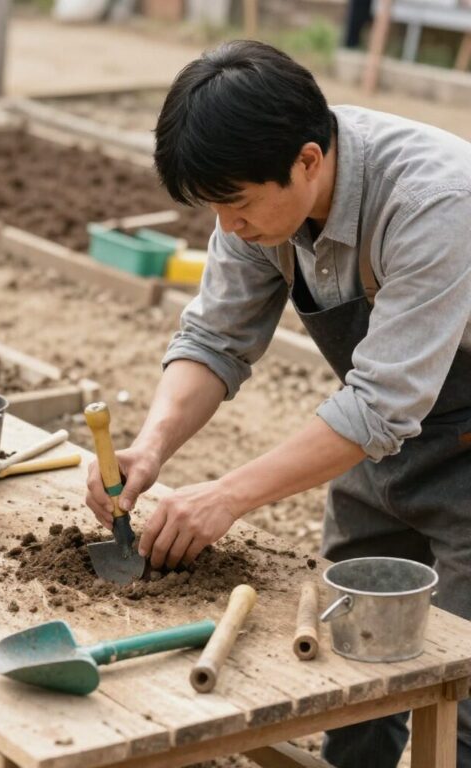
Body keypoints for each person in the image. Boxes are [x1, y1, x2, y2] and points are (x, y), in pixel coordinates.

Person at [84, 40, 471, 768]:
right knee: (354, 657)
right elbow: (214, 339)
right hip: (378, 439)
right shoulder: (258, 203)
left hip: (443, 436)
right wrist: (152, 446)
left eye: (234, 206)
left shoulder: (434, 198)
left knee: (463, 686)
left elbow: (384, 402)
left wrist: (227, 496)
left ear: (308, 162)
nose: (227, 229)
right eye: (213, 208)